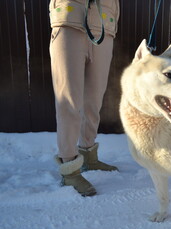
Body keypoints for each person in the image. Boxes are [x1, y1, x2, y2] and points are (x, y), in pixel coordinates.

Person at [49, 0, 120, 196]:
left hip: (104, 23)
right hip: (69, 18)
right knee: (68, 101)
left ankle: (88, 155)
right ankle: (70, 169)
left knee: (94, 100)